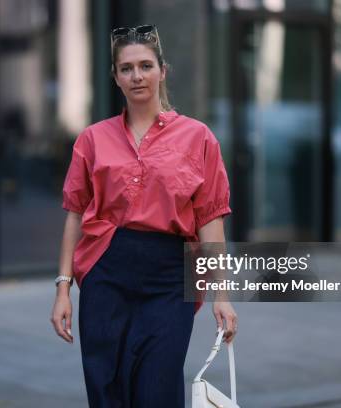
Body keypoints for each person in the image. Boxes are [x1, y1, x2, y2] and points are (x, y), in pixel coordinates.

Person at [51, 24, 238, 407]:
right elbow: (74, 215)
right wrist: (63, 289)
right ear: (116, 78)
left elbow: (210, 220)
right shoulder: (92, 139)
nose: (137, 76)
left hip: (170, 277)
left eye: (146, 65)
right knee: (107, 390)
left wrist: (222, 293)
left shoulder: (198, 137)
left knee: (158, 388)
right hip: (107, 273)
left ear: (162, 71)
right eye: (126, 68)